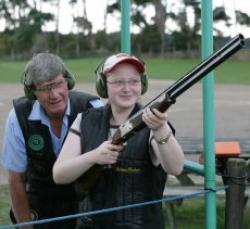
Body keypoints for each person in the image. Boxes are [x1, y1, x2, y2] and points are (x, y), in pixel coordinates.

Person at [53, 53, 185, 229]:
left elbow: (175, 167)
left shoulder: (154, 124)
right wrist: (94, 156)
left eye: (134, 81)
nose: (127, 88)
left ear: (142, 84)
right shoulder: (85, 120)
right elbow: (59, 174)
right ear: (103, 86)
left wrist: (160, 128)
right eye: (118, 82)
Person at [1, 52, 103, 229]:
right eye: (45, 88)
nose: (54, 94)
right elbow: (15, 179)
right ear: (32, 92)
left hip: (85, 207)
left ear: (67, 81)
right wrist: (26, 226)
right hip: (40, 206)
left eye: (57, 84)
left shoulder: (93, 108)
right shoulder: (18, 117)